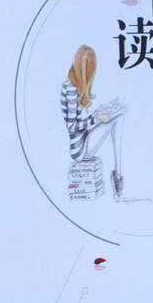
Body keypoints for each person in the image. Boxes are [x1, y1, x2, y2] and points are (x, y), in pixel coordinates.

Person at [59, 45, 128, 200]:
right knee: (118, 118)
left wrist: (98, 114)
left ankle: (118, 176)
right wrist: (96, 119)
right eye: (88, 68)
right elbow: (72, 125)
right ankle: (118, 177)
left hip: (83, 139)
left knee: (117, 114)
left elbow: (79, 119)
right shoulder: (71, 88)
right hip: (79, 149)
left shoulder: (72, 83)